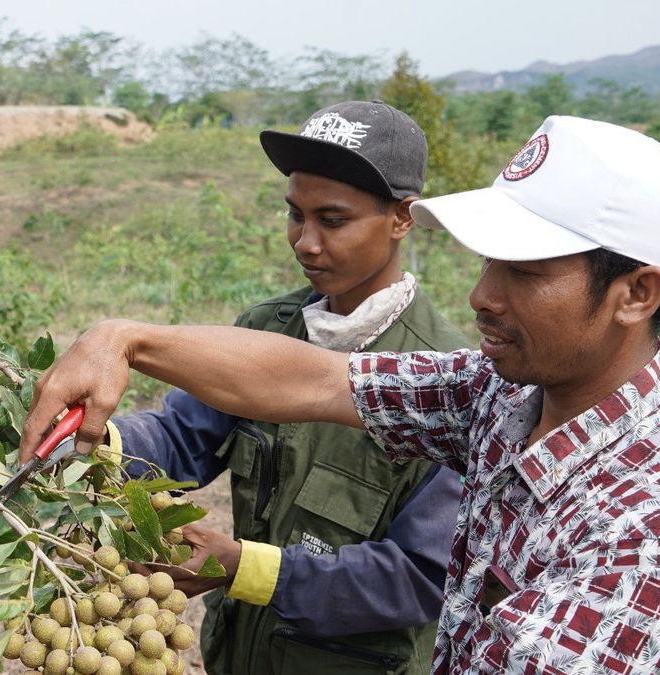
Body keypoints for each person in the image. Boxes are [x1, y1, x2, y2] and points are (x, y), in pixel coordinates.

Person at [22, 116, 660, 672]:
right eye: (488, 263)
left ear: (637, 292)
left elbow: (412, 577)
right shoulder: (499, 397)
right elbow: (317, 377)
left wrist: (241, 566)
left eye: (524, 274)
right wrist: (123, 340)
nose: (481, 296)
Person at [102, 100, 466, 674]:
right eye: (295, 214)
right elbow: (183, 436)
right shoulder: (265, 330)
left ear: (401, 217)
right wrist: (94, 442)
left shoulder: (447, 385)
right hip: (242, 655)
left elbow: (420, 577)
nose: (305, 241)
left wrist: (241, 567)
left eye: (333, 219)